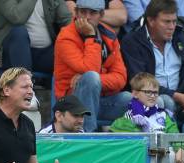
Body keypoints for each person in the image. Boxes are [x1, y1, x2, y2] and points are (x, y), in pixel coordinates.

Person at [121, 0, 184, 119]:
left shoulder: (180, 37)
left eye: (174, 21)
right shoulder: (133, 42)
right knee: (166, 101)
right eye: (167, 22)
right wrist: (177, 96)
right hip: (154, 98)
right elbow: (139, 83)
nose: (172, 27)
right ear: (151, 21)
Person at [54, 0, 128, 132]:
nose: (87, 17)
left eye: (93, 12)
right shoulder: (65, 37)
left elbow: (121, 78)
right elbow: (90, 69)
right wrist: (91, 37)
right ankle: (87, 136)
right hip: (71, 105)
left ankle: (125, 144)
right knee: (91, 77)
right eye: (83, 11)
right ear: (76, 13)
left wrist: (97, 81)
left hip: (101, 101)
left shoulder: (110, 36)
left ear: (101, 15)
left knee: (129, 99)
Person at [0, 0, 71, 73]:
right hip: (12, 53)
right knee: (18, 32)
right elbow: (17, 17)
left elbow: (66, 19)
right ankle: (23, 82)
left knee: (70, 59)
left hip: (44, 53)